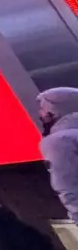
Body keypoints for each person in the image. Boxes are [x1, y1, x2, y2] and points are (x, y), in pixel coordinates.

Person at [37, 86, 78, 223]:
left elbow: (68, 186)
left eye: (42, 108)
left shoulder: (59, 141)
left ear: (53, 111)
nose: (40, 114)